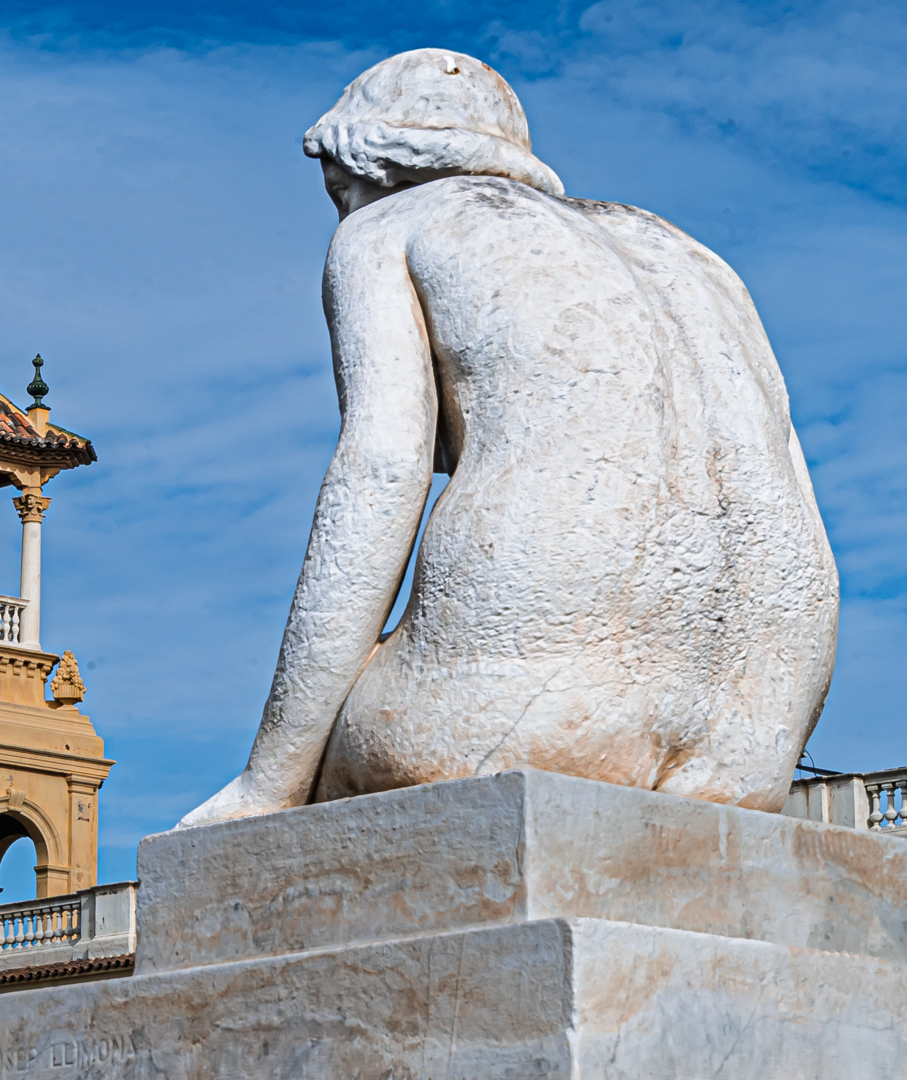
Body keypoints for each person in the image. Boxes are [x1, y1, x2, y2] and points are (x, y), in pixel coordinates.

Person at [180, 48, 838, 828]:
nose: (341, 210)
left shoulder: (389, 225)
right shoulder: (692, 258)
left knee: (321, 790)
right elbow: (790, 505)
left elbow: (382, 473)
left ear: (366, 168)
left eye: (337, 192)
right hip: (750, 742)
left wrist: (269, 781)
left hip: (519, 715)